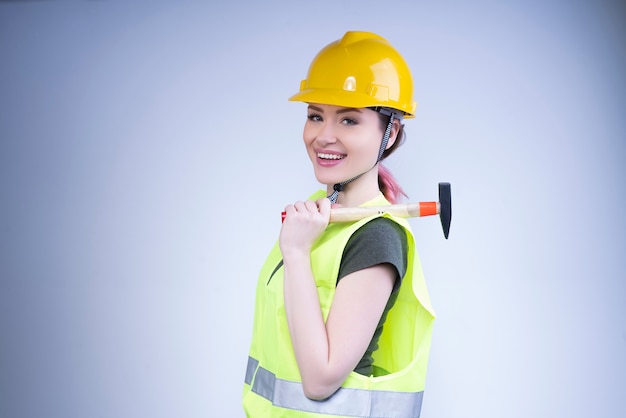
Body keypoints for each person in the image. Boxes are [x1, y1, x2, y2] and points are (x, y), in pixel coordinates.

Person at [242, 31, 436, 418]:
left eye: (349, 119)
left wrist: (295, 253)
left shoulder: (377, 236)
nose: (323, 136)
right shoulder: (318, 213)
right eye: (316, 115)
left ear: (390, 133)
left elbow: (320, 380)